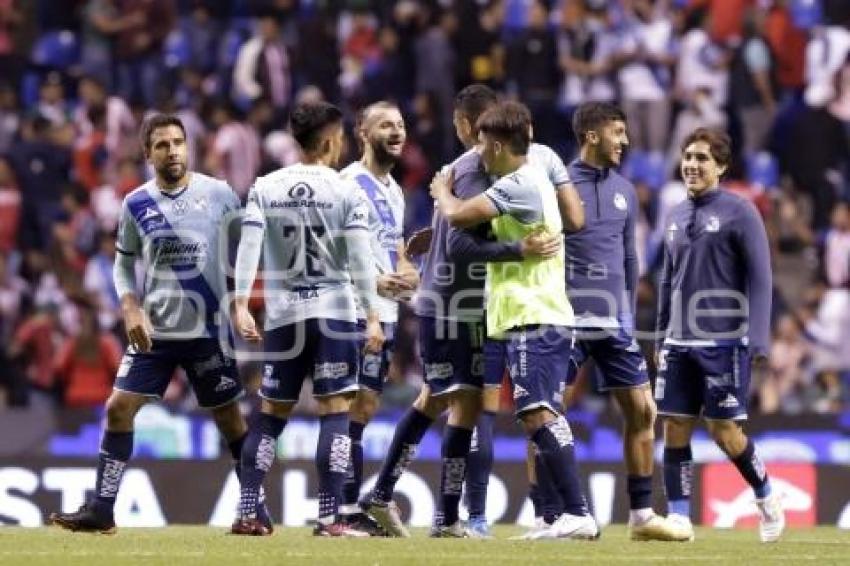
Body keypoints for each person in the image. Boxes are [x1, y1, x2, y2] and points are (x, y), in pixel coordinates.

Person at [358, 85, 574, 538]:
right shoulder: (475, 168)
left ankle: (432, 512)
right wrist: (519, 249)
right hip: (455, 306)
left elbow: (455, 230)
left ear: (462, 124)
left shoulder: (469, 170)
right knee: (446, 402)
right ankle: (396, 499)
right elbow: (458, 245)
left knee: (455, 404)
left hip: (466, 307)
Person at [49, 114, 261, 533]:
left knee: (230, 419)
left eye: (178, 142)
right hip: (156, 332)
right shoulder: (136, 203)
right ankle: (103, 511)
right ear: (148, 153)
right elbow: (124, 263)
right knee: (117, 409)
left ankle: (255, 507)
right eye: (162, 145)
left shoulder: (218, 194)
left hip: (206, 331)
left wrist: (240, 301)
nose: (173, 151)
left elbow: (251, 238)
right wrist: (130, 306)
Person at [521, 101, 690, 541]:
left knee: (642, 409)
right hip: (564, 319)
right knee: (546, 413)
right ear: (592, 136)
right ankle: (548, 516)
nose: (626, 141)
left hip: (613, 321)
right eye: (618, 132)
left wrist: (629, 315)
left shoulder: (626, 190)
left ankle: (640, 516)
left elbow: (631, 257)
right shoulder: (556, 184)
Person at [431, 100, 598, 540]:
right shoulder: (526, 179)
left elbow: (456, 214)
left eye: (484, 144)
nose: (479, 152)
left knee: (537, 413)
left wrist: (441, 190)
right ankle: (566, 513)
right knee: (538, 413)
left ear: (501, 144)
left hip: (535, 314)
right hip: (528, 314)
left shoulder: (520, 184)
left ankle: (576, 512)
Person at [230, 101, 383, 537]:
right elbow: (357, 259)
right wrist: (373, 315)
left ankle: (246, 510)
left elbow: (249, 248)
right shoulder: (346, 190)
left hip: (283, 316)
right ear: (332, 141)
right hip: (334, 312)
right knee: (335, 410)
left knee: (270, 414)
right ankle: (331, 517)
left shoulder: (265, 186)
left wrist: (241, 304)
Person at [656, 127, 784, 543]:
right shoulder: (674, 214)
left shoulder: (741, 212)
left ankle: (766, 494)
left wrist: (759, 339)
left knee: (725, 434)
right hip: (678, 342)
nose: (692, 164)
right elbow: (665, 281)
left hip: (724, 343)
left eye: (702, 158)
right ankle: (679, 517)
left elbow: (762, 279)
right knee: (674, 426)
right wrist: (660, 339)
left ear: (722, 166)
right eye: (687, 156)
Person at [337, 101, 419, 533]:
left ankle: (347, 505)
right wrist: (372, 283)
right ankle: (340, 508)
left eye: (401, 125)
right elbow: (335, 249)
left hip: (384, 314)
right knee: (347, 403)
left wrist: (407, 271)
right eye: (386, 125)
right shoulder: (347, 184)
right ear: (363, 134)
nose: (396, 131)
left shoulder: (394, 190)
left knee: (365, 406)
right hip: (351, 309)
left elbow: (396, 247)